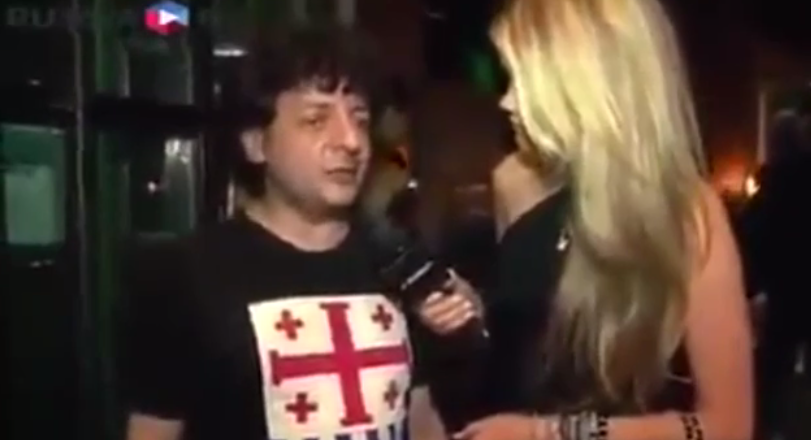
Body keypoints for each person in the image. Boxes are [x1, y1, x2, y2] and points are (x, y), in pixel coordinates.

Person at [120, 25, 479, 440]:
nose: (351, 141)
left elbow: (420, 416)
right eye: (315, 120)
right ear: (257, 144)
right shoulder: (186, 274)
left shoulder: (400, 260)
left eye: (360, 119)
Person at [440, 0, 753, 439]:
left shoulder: (686, 214)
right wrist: (472, 317)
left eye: (524, 81)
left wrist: (548, 434)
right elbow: (520, 355)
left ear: (583, 85)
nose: (507, 102)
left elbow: (727, 427)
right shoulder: (513, 181)